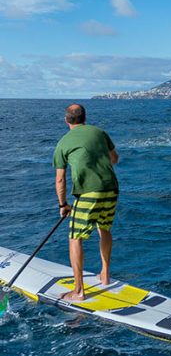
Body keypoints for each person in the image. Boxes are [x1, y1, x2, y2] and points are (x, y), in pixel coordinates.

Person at [53, 104, 119, 301]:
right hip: (111, 188)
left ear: (66, 120)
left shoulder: (63, 143)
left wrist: (63, 205)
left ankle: (79, 291)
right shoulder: (100, 133)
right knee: (104, 229)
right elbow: (114, 159)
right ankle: (105, 275)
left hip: (88, 193)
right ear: (84, 118)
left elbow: (60, 179)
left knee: (75, 238)